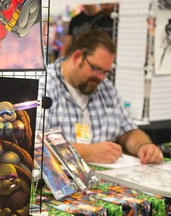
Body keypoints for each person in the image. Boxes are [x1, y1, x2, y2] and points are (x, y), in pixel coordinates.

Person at [40, 30, 163, 165]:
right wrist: (87, 153)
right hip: (61, 181)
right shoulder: (45, 86)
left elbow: (128, 131)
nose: (101, 77)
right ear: (77, 57)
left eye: (105, 72)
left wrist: (143, 145)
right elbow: (35, 146)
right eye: (96, 69)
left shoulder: (105, 87)